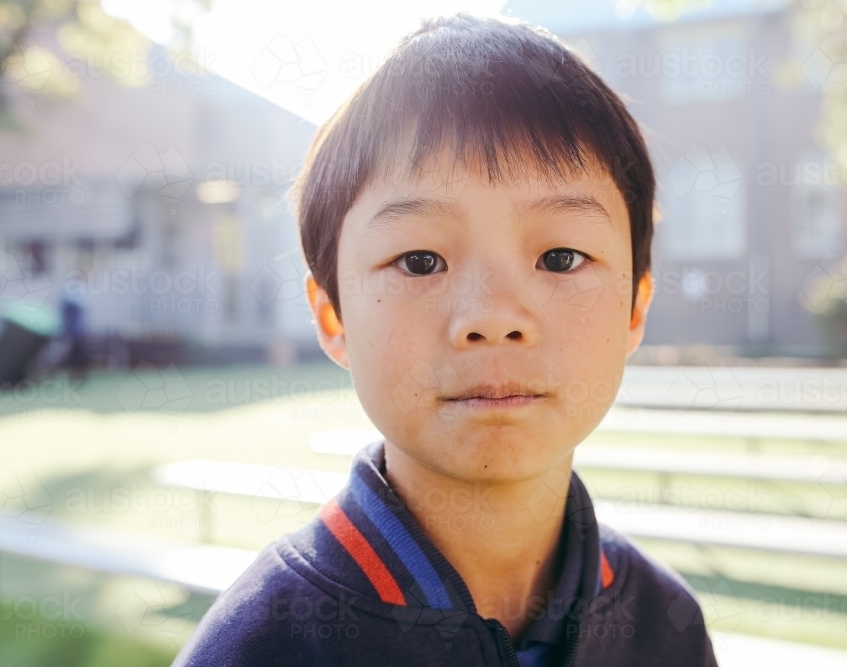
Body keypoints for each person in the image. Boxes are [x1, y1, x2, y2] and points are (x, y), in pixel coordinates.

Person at [173, 13, 717, 667]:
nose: (493, 317)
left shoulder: (665, 625)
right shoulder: (263, 643)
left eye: (562, 257)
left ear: (636, 306)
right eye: (421, 261)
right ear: (332, 315)